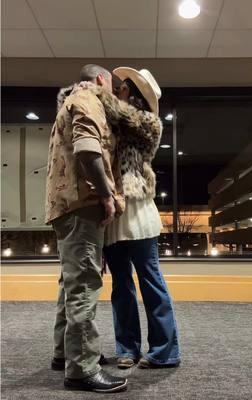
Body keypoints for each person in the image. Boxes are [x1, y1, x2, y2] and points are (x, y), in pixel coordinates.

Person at [45, 64, 127, 393]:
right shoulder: (89, 98)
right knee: (84, 283)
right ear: (100, 80)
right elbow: (88, 149)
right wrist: (107, 195)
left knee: (70, 282)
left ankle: (65, 352)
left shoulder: (71, 101)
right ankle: (80, 369)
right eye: (112, 86)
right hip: (81, 206)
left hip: (66, 206)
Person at [97, 68, 181, 369]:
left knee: (151, 284)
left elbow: (125, 117)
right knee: (121, 287)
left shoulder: (148, 123)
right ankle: (127, 348)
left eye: (121, 89)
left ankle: (165, 352)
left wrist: (94, 93)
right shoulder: (111, 124)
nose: (115, 91)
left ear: (133, 94)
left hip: (140, 215)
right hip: (114, 216)